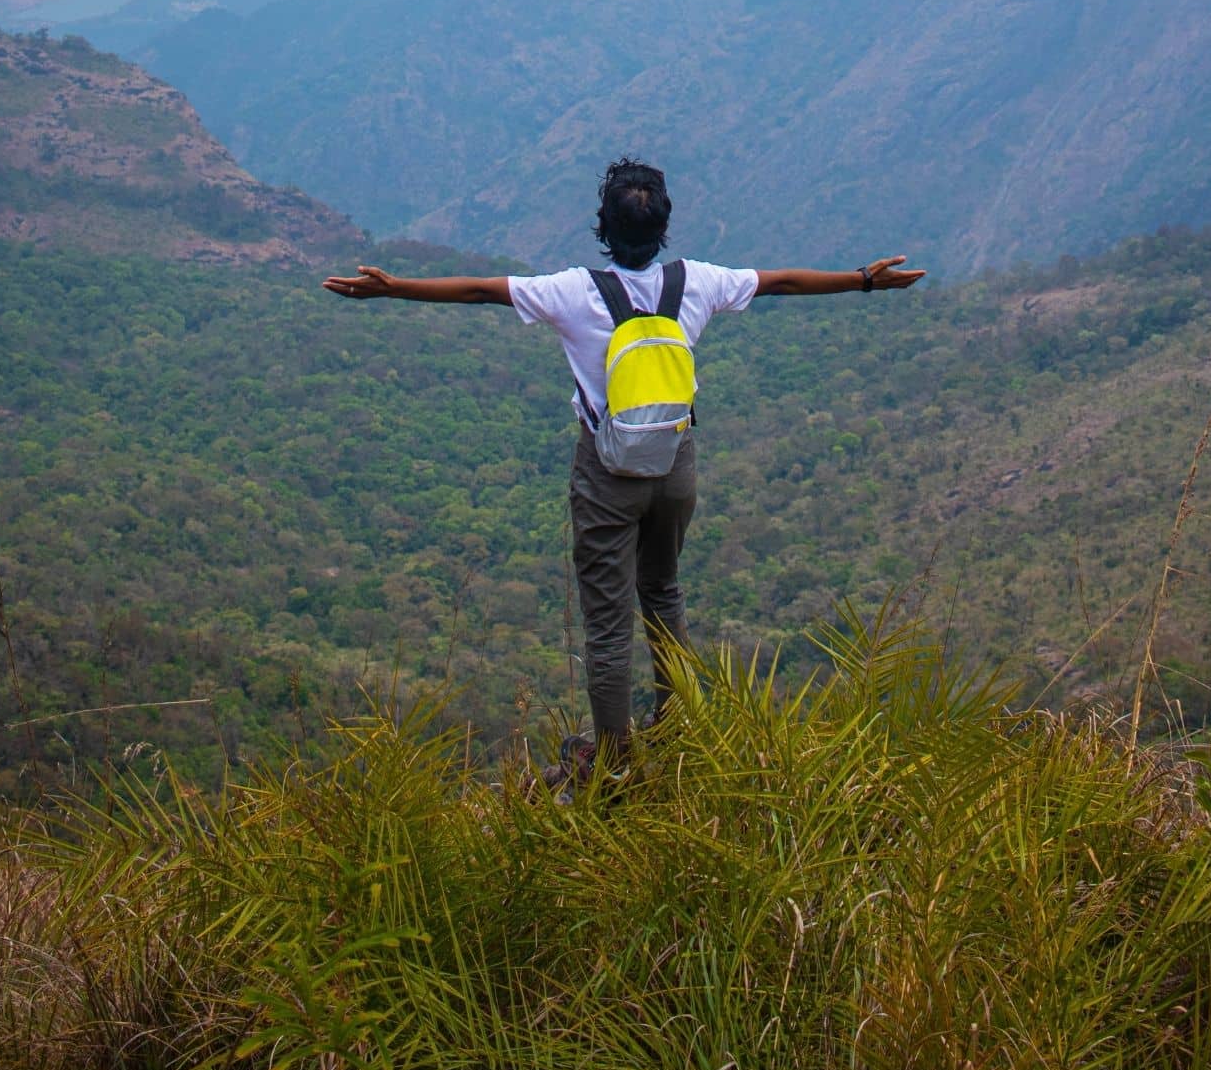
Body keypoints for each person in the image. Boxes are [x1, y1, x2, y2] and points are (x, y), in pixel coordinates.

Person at [322, 157, 924, 779]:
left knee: (607, 624)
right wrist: (863, 280)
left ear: (603, 228)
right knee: (663, 592)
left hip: (606, 474)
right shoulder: (697, 282)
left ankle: (611, 765)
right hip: (674, 464)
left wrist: (393, 288)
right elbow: (783, 283)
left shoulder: (571, 291)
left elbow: (479, 290)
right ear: (664, 228)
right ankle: (677, 731)